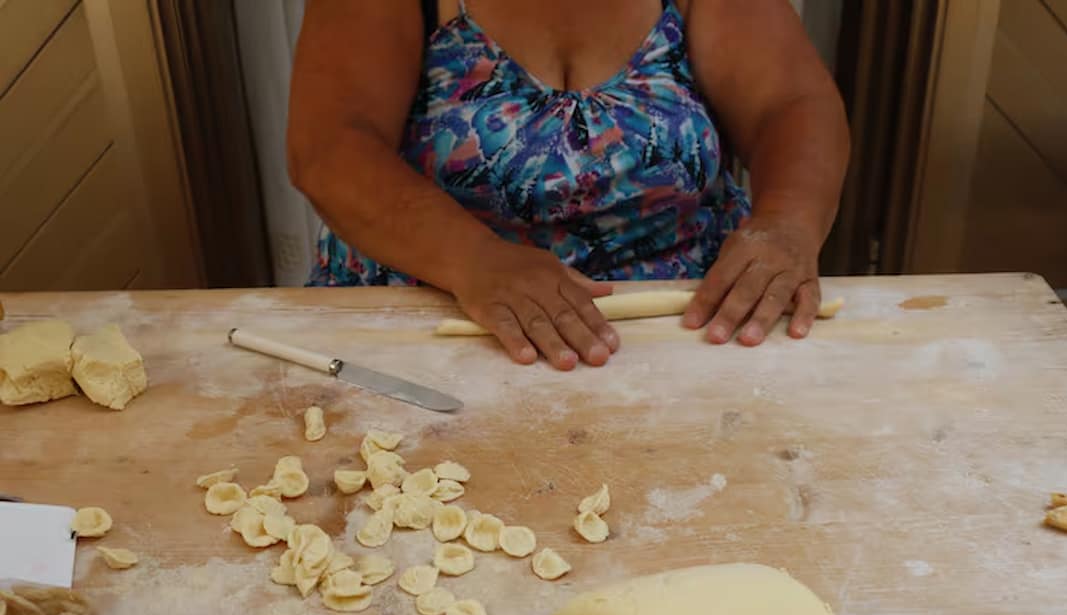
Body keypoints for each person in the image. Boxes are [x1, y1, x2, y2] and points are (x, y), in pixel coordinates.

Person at [288, 0, 848, 370]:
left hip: (685, 331)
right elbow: (332, 147)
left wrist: (787, 225)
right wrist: (474, 260)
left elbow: (790, 104)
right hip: (431, 319)